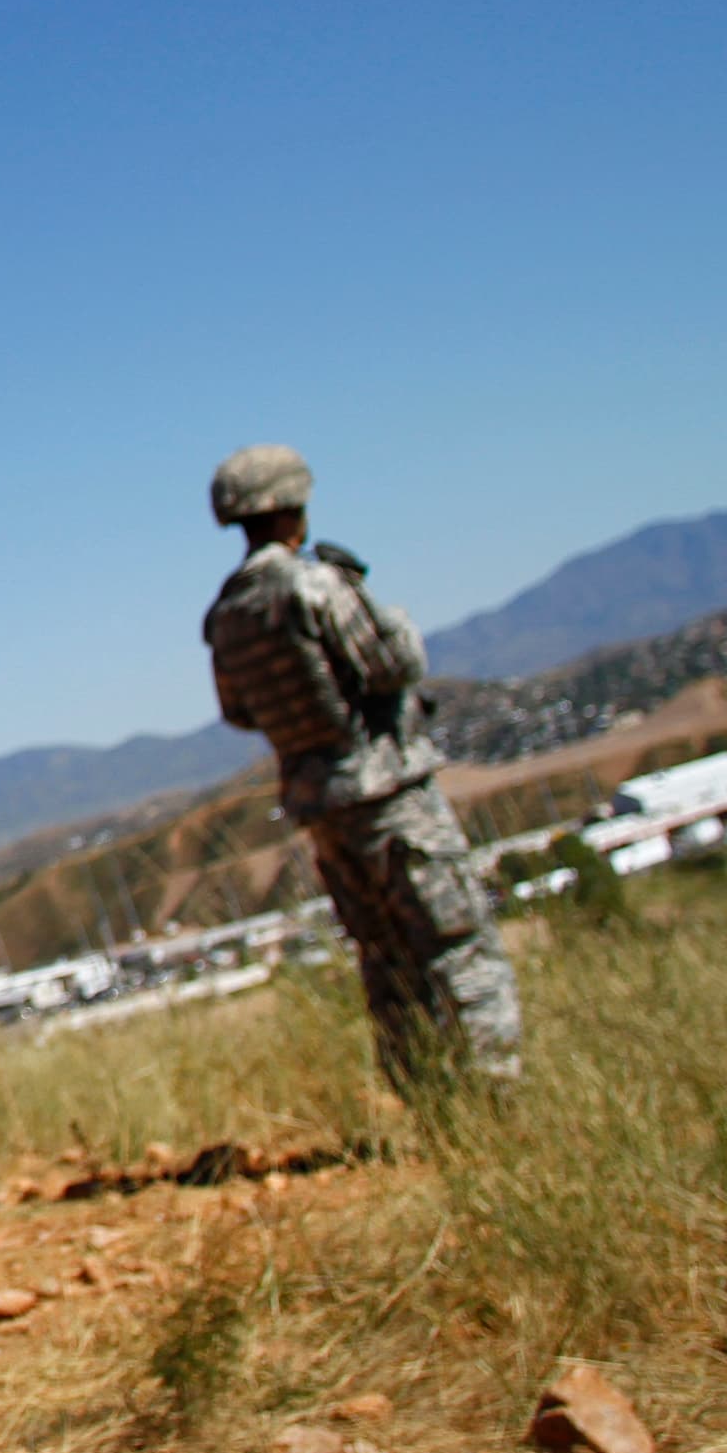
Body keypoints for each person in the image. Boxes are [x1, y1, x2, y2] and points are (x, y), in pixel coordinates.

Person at [200, 445, 521, 1090]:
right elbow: (393, 665)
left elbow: (238, 711)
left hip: (322, 810)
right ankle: (498, 1101)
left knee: (385, 956)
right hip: (388, 795)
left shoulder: (227, 613)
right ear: (293, 506)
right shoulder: (316, 584)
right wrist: (380, 607)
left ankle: (427, 1097)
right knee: (457, 947)